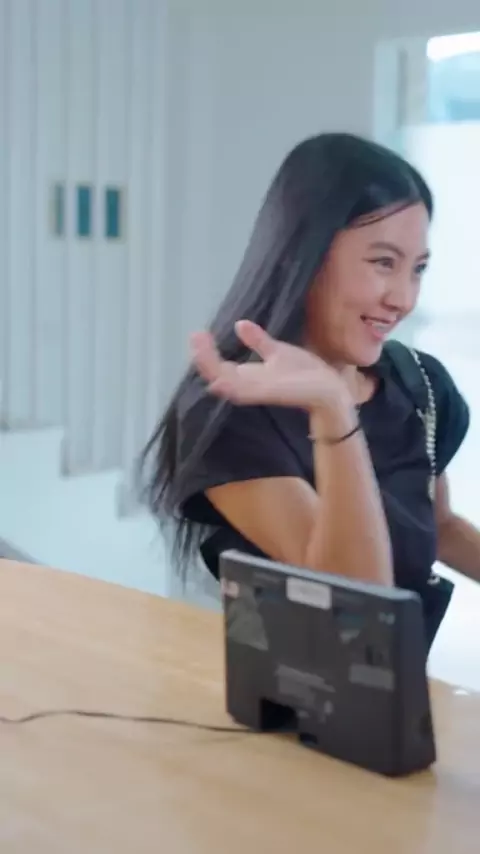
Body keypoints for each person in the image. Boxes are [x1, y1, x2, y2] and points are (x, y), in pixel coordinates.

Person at [142, 132, 478, 651]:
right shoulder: (233, 411)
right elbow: (355, 597)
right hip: (279, 695)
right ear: (305, 254)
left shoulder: (420, 386)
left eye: (418, 269)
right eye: (383, 263)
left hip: (397, 690)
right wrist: (333, 407)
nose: (403, 298)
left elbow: (441, 526)